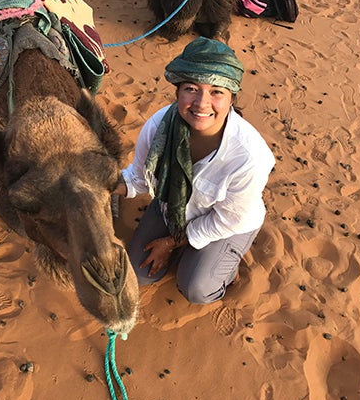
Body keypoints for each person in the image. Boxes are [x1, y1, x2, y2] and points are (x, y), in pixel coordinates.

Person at [114, 37, 275, 304]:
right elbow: (139, 179)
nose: (201, 103)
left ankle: (223, 265)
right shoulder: (158, 128)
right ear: (178, 92)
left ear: (231, 98)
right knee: (139, 274)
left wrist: (169, 243)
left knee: (197, 288)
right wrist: (98, 183)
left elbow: (227, 220)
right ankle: (189, 251)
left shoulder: (248, 157)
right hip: (172, 208)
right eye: (191, 88)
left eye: (216, 91)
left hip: (227, 222)